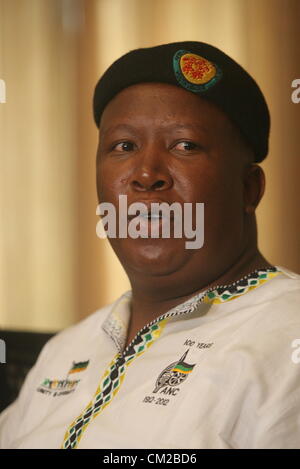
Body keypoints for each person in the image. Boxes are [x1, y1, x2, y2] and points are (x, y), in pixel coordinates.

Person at [0, 41, 299, 449]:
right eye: (124, 146)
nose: (146, 174)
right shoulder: (66, 349)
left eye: (185, 145)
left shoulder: (288, 338)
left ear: (249, 188)